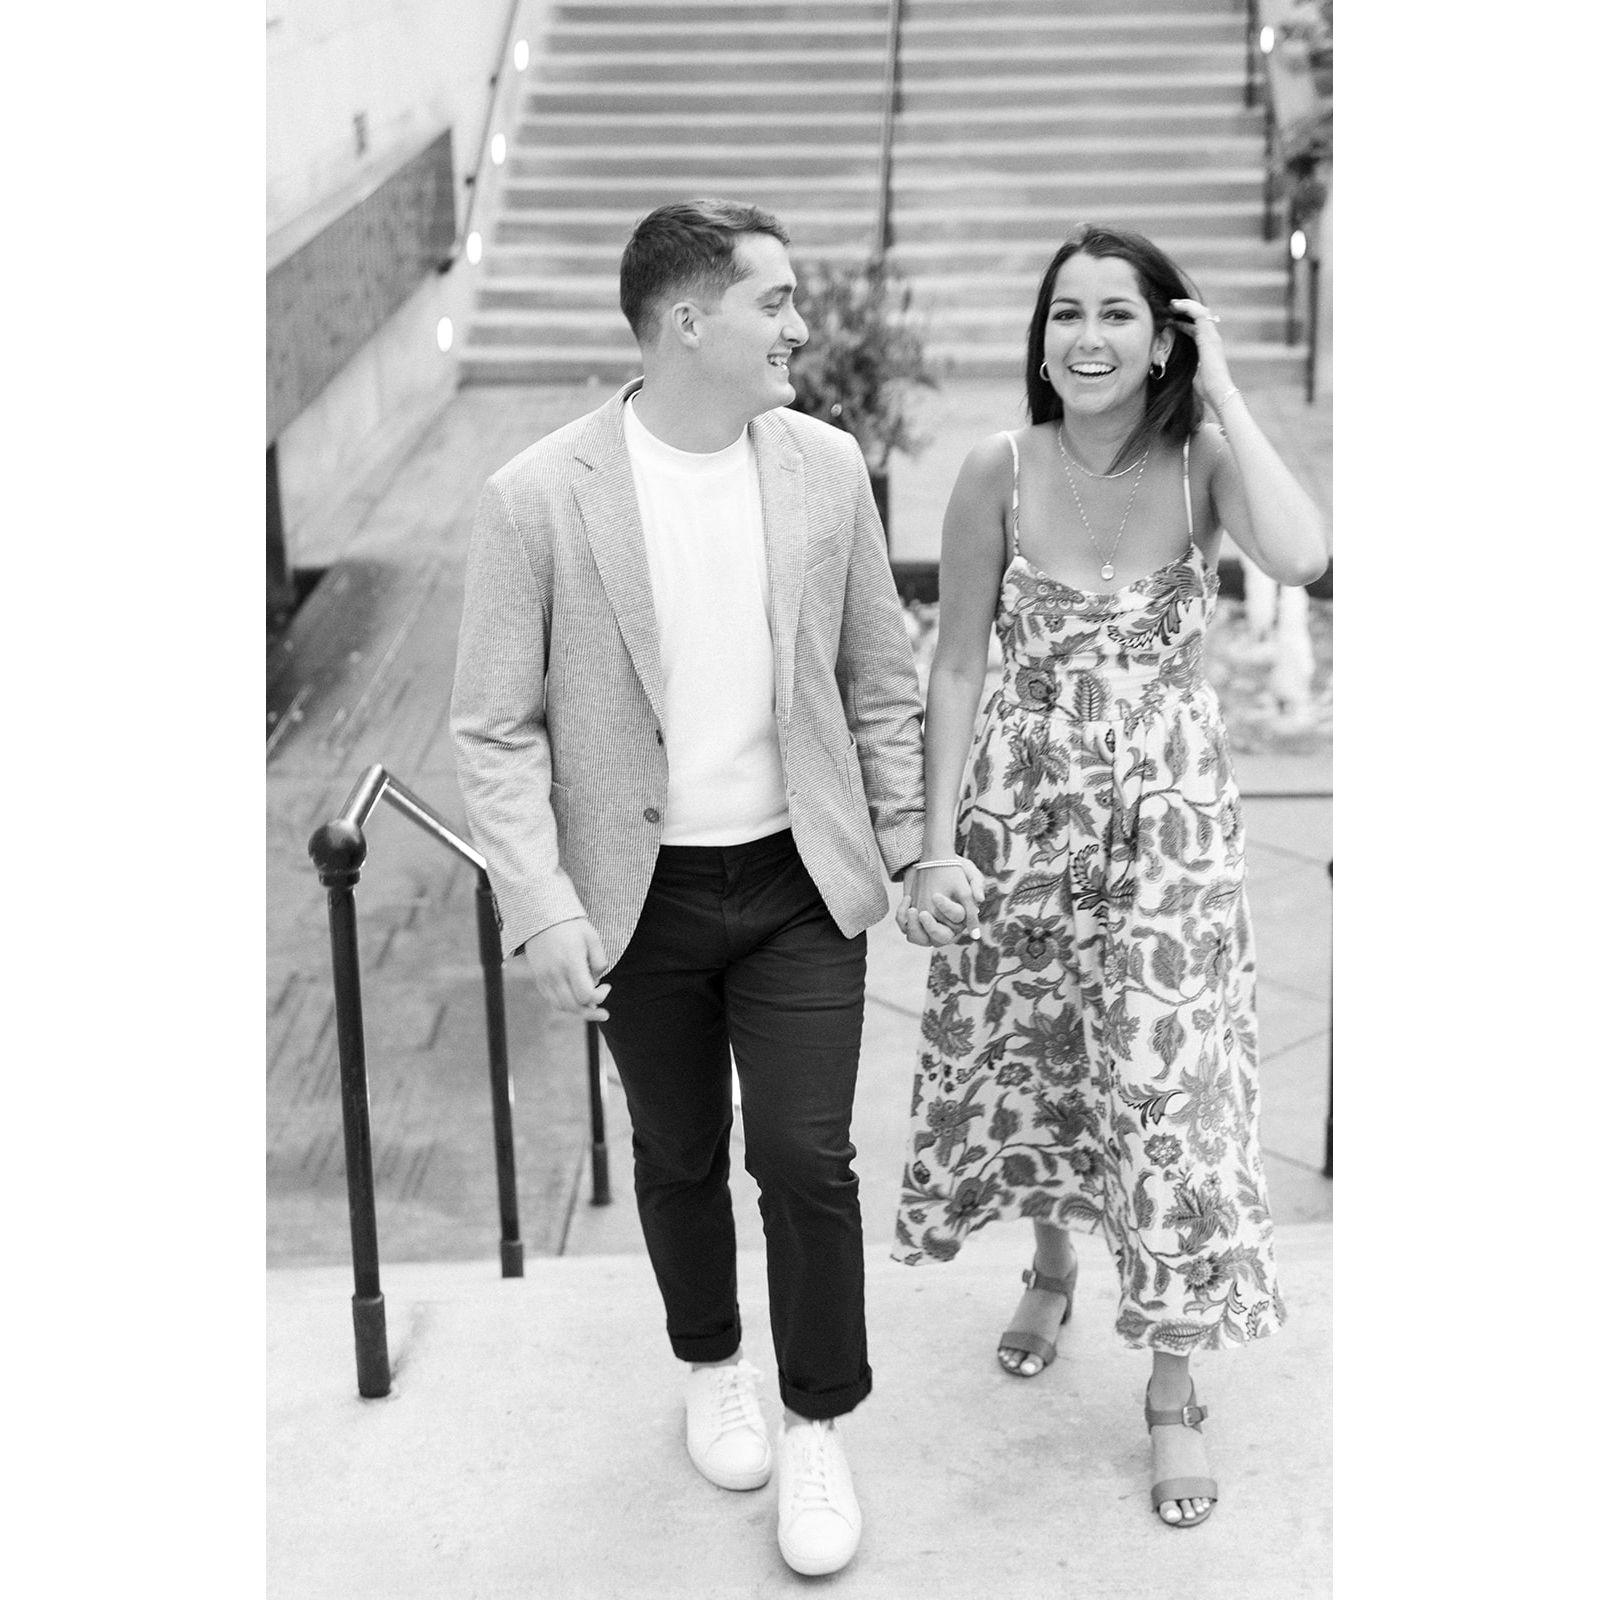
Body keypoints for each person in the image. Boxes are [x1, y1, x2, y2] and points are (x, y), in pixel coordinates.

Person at [451, 199, 969, 1577]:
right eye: (776, 301)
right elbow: (494, 729)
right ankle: (711, 1366)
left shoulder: (826, 468)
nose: (801, 325)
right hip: (640, 900)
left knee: (804, 1156)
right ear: (689, 321)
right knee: (677, 1154)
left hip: (799, 881)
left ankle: (818, 1423)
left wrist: (910, 846)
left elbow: (878, 678)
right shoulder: (535, 498)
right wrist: (541, 903)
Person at [890, 223, 1328, 1529]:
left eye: (1117, 314)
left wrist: (1227, 389)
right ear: (1042, 339)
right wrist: (933, 846)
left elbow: (1303, 556)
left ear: (1162, 337)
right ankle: (1051, 1262)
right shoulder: (996, 468)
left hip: (1169, 842)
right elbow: (955, 664)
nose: (1086, 338)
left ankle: (1174, 1391)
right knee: (1044, 1060)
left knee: (1169, 1095)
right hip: (1022, 826)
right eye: (1065, 314)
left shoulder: (1203, 461)